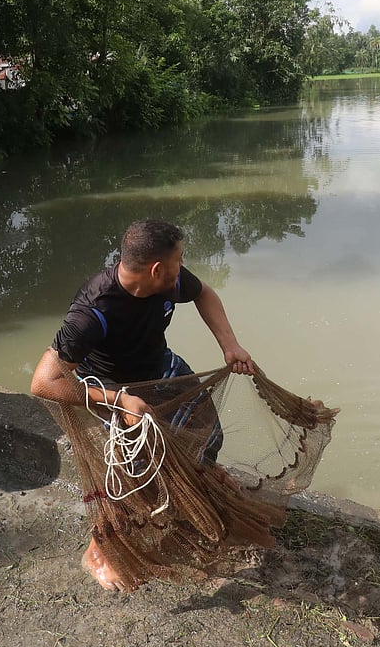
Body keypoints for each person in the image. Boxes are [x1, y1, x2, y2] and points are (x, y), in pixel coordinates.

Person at [29, 219, 254, 590]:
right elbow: (43, 381)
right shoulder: (93, 312)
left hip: (159, 369)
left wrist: (229, 345)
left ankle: (199, 482)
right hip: (111, 388)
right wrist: (118, 401)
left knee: (206, 433)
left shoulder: (169, 281)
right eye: (179, 260)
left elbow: (205, 294)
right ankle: (97, 551)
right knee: (133, 476)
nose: (183, 267)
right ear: (156, 268)